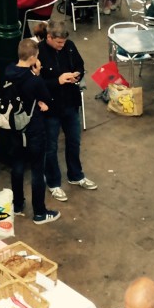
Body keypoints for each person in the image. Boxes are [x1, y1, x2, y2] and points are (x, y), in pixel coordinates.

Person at [37, 22, 96, 202]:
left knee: (74, 141)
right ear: (49, 37)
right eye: (59, 43)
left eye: (64, 42)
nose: (62, 46)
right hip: (51, 108)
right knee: (51, 147)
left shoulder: (69, 46)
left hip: (70, 103)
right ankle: (54, 183)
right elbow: (36, 83)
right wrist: (58, 81)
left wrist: (76, 73)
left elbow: (80, 64)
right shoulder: (38, 52)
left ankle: (76, 175)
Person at [4, 39, 59, 224]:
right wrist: (37, 74)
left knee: (17, 167)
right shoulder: (33, 80)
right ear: (34, 57)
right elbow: (48, 99)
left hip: (15, 128)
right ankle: (40, 212)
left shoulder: (8, 71)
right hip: (33, 129)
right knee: (37, 170)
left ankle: (18, 205)